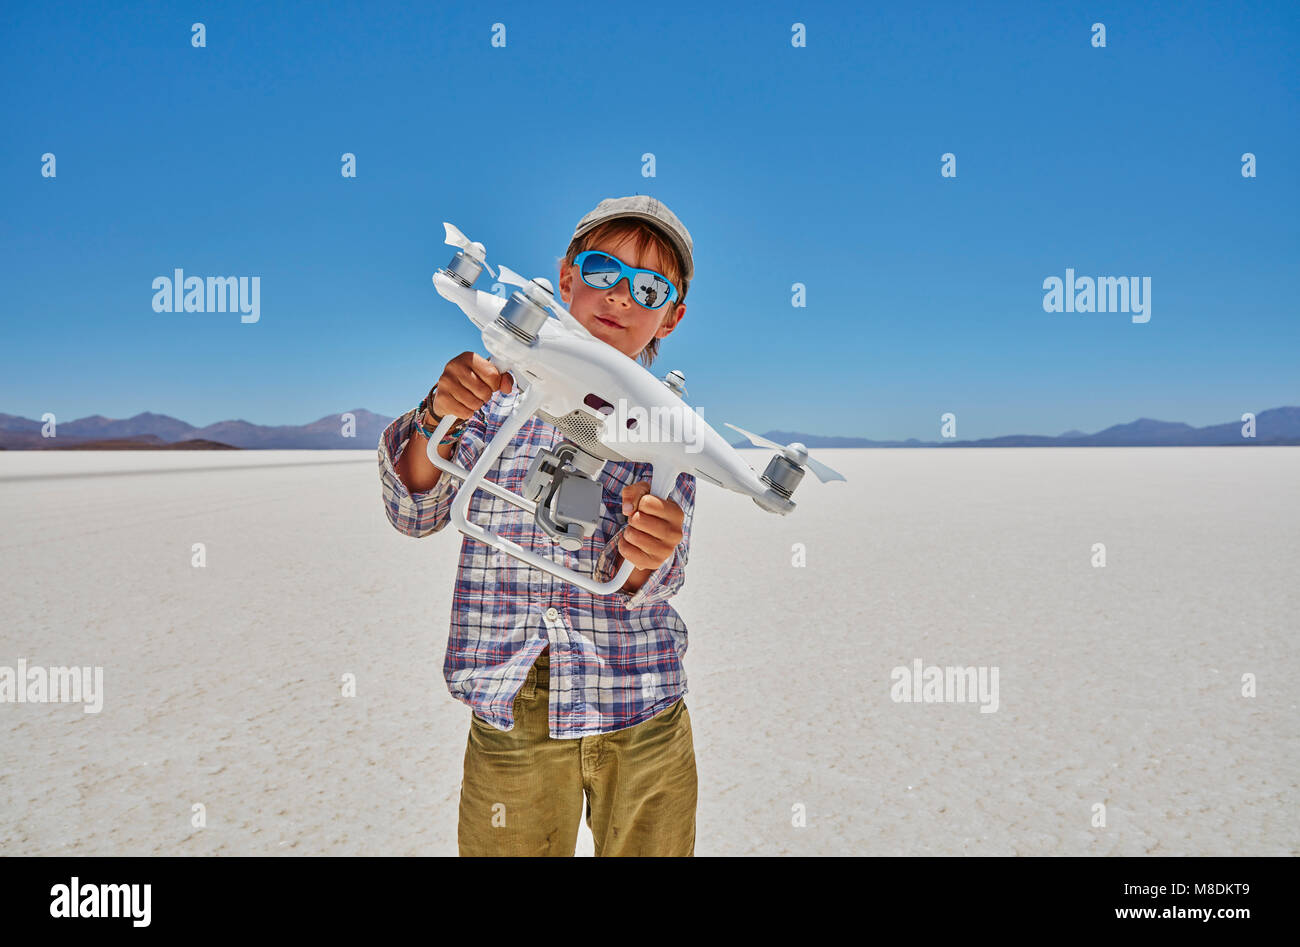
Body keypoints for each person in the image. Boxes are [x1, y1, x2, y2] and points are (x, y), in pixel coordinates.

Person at [377, 195, 698, 856]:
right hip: (511, 704)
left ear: (672, 314)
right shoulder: (497, 397)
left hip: (640, 704)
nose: (621, 298)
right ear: (567, 277)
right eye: (603, 270)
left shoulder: (665, 432)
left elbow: (649, 577)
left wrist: (649, 549)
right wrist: (442, 410)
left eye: (649, 287)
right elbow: (416, 510)